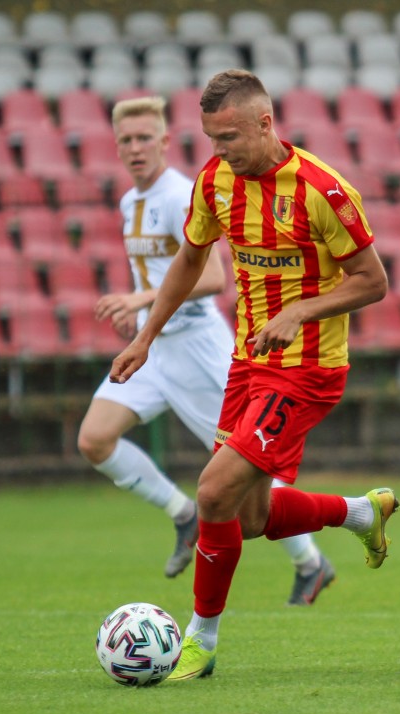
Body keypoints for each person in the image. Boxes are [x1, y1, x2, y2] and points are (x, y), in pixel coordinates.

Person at [110, 70, 398, 681]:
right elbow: (190, 259)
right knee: (247, 519)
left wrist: (300, 311)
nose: (220, 150)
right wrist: (145, 336)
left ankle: (200, 641)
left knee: (212, 492)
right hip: (248, 364)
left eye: (231, 137)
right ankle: (361, 513)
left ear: (266, 124)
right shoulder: (215, 181)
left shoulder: (323, 190)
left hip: (308, 370)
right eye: (211, 138)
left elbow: (374, 281)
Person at [78, 96, 339, 606]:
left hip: (200, 351)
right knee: (94, 439)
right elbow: (160, 273)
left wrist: (138, 298)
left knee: (239, 477)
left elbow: (214, 277)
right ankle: (182, 515)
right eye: (126, 140)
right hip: (156, 352)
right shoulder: (129, 202)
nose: (135, 148)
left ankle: (310, 562)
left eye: (144, 138)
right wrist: (143, 319)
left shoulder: (181, 194)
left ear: (163, 141)